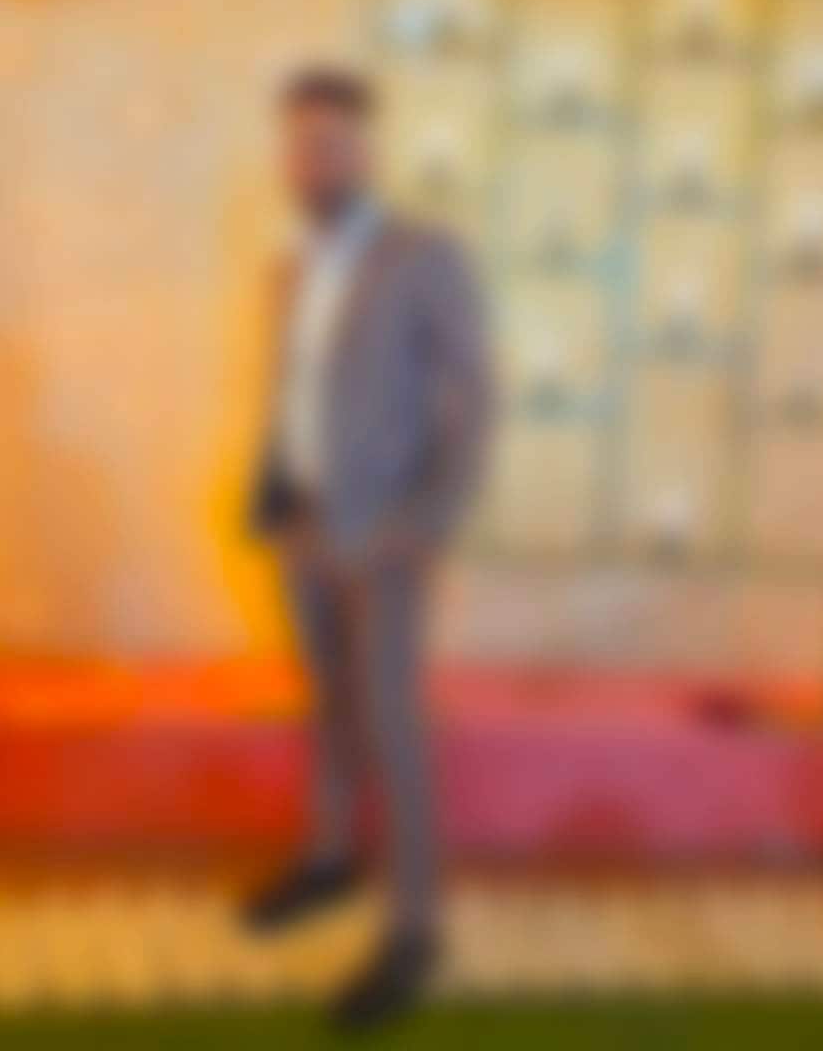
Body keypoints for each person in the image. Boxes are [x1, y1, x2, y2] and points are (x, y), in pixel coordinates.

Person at [244, 66, 492, 1029]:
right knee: (329, 703)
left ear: (367, 151)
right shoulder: (290, 265)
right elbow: (292, 390)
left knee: (393, 725)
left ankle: (416, 931)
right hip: (301, 523)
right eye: (302, 144)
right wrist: (271, 492)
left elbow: (476, 397)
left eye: (335, 143)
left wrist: (428, 524)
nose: (316, 160)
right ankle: (330, 857)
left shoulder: (425, 256)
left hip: (385, 539)